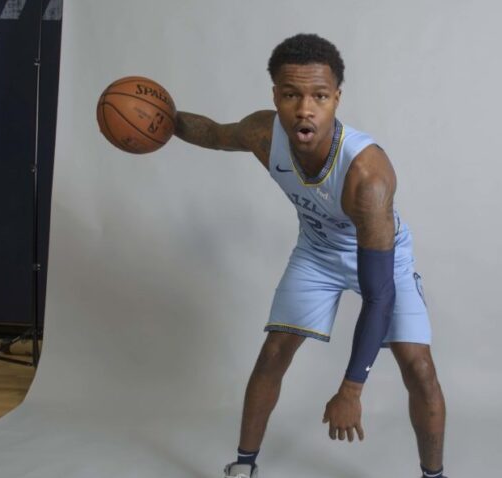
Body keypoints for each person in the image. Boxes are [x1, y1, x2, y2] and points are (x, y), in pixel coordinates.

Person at [174, 33, 447, 478]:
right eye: (291, 95)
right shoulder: (265, 133)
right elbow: (216, 135)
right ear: (275, 97)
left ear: (336, 98)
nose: (305, 108)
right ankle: (243, 466)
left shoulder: (367, 174)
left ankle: (434, 476)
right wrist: (164, 119)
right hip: (317, 252)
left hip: (382, 259)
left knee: (418, 366)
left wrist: (351, 388)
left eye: (319, 96)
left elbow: (378, 296)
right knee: (275, 350)